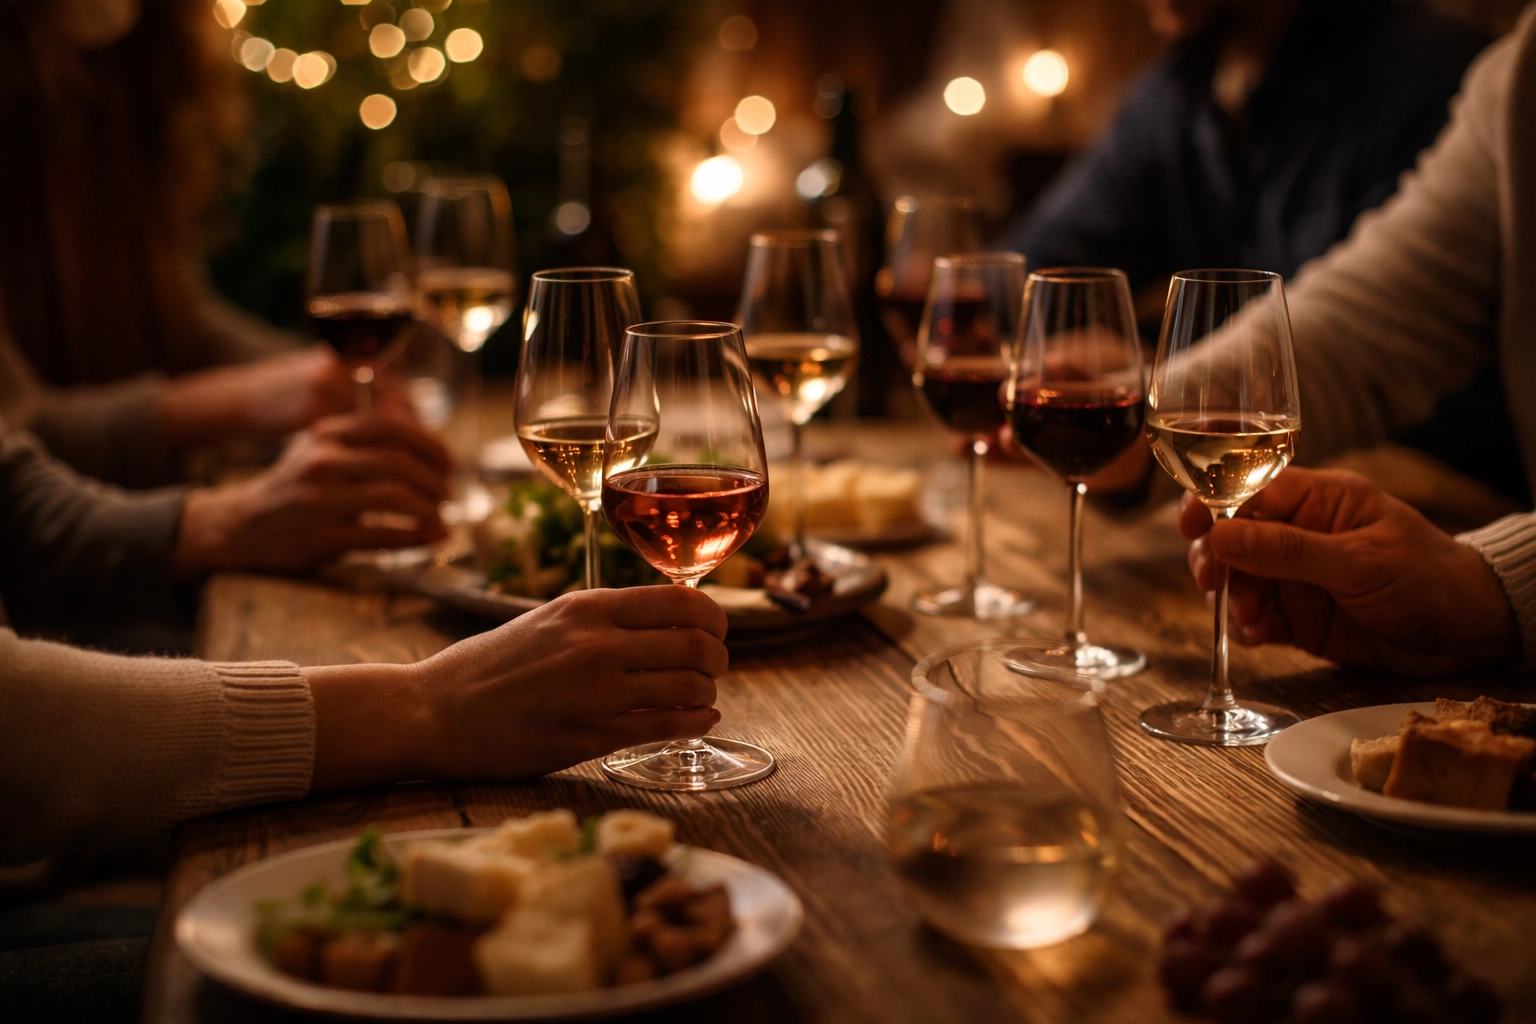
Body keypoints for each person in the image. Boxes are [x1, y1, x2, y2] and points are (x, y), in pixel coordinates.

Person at [998, 0, 1526, 501]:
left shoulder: (1436, 71)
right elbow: (1044, 258)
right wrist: (972, 312)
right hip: (1252, 476)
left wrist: (1152, 377)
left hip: (1438, 491)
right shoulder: (1175, 89)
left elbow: (1393, 343)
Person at [1171, 5, 1536, 672]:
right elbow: (1372, 315)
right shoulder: (1520, 71)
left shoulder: (1417, 62)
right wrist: (1138, 408)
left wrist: (1499, 589)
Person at [0, 0, 373, 488]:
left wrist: (323, 374)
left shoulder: (129, 75)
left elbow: (184, 322)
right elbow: (19, 430)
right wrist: (245, 400)